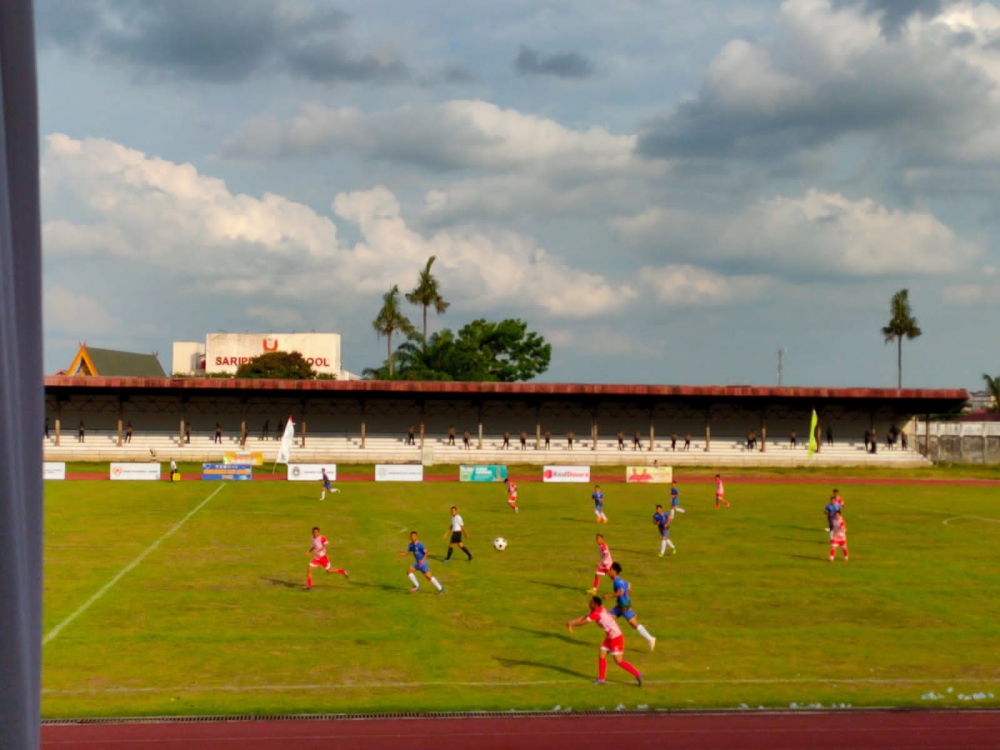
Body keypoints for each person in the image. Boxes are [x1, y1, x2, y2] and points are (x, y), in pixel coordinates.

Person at [566, 596, 643, 687]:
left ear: (595, 604)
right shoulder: (598, 610)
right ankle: (601, 679)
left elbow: (584, 622)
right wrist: (573, 621)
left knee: (618, 660)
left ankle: (638, 674)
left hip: (616, 637)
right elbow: (586, 616)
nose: (589, 603)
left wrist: (573, 624)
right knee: (602, 654)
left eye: (591, 602)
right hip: (610, 636)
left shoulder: (597, 614)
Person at [607, 563, 656, 651]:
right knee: (608, 619)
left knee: (634, 624)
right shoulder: (619, 580)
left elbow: (621, 592)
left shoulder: (617, 582)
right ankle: (610, 644)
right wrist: (629, 590)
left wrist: (609, 596)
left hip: (623, 606)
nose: (608, 572)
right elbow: (628, 584)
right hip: (621, 605)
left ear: (614, 571)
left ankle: (650, 639)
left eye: (610, 570)